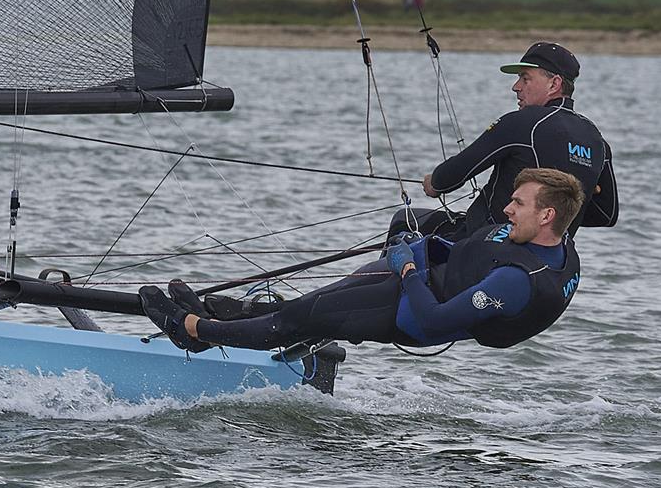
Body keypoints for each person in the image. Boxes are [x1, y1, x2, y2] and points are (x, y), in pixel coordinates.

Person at [140, 168, 585, 353]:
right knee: (313, 304)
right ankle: (230, 322)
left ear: (546, 215)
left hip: (410, 313)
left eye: (518, 204)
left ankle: (195, 333)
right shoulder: (556, 243)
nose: (508, 209)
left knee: (299, 317)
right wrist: (421, 245)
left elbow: (432, 321)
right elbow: (478, 253)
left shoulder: (515, 282)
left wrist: (407, 267)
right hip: (423, 280)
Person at [392, 42, 618, 241]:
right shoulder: (597, 139)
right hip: (551, 255)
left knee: (404, 219)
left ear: (554, 84)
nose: (516, 86)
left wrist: (434, 183)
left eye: (526, 78)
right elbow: (606, 215)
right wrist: (552, 217)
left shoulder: (521, 123)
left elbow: (448, 179)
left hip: (485, 244)